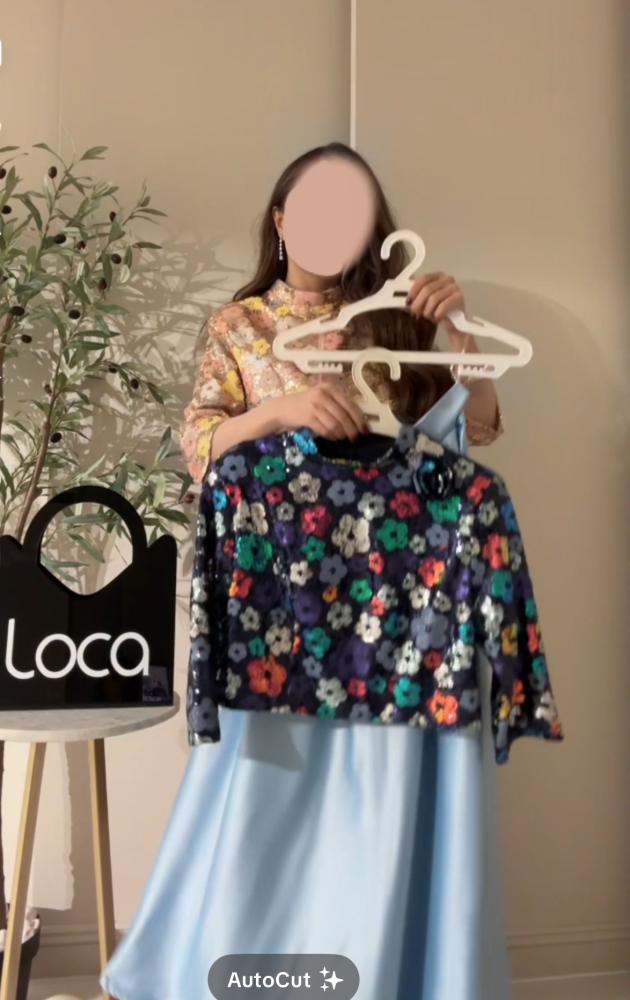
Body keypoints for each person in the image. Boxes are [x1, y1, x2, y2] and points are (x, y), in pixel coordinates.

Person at [180, 140, 503, 485]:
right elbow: (199, 446)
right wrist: (282, 412)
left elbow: (477, 425)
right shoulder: (237, 325)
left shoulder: (392, 319)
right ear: (281, 221)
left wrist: (459, 330)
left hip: (387, 514)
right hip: (275, 518)